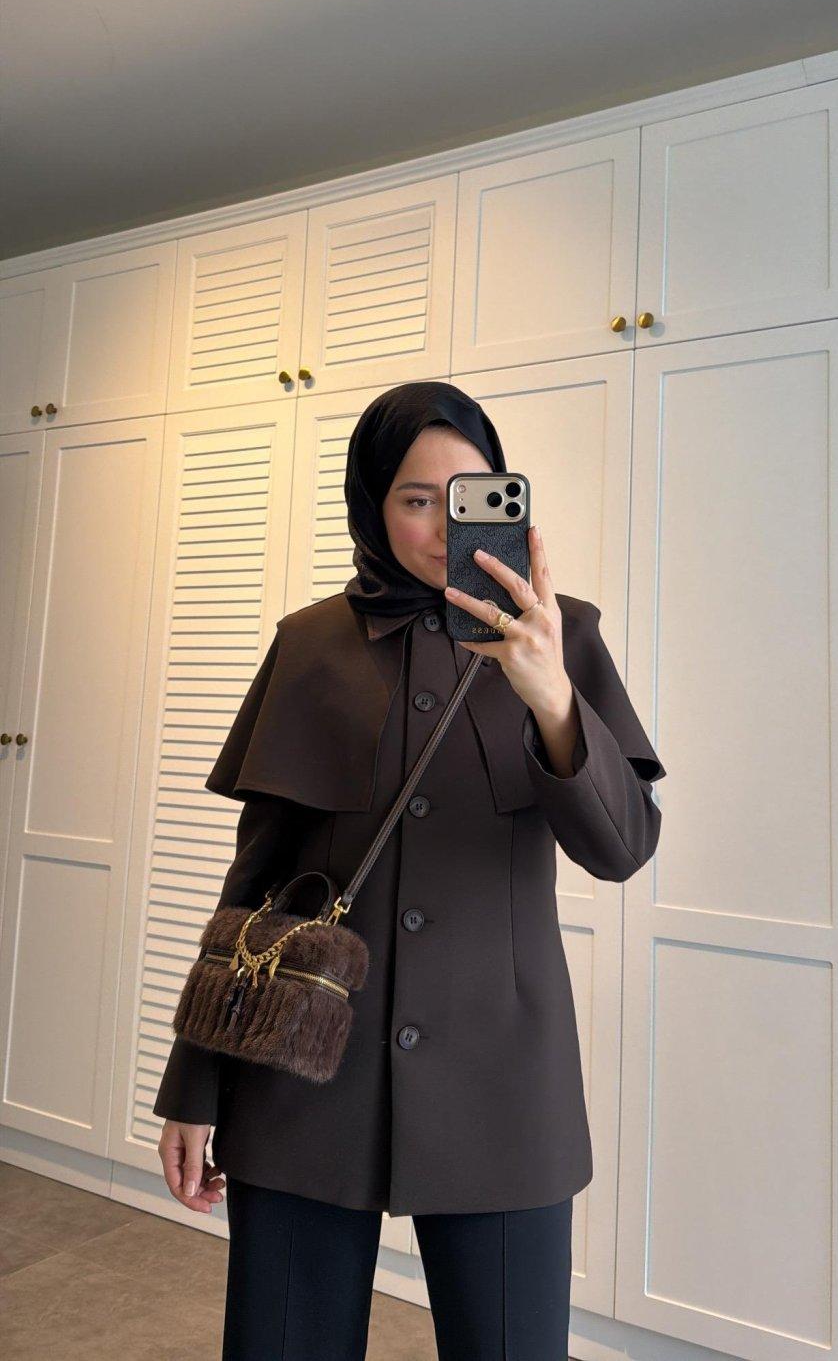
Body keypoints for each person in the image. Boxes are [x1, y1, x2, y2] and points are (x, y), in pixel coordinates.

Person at [153, 380, 665, 1360]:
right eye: (416, 499)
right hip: (301, 1079)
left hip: (503, 1090)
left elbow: (622, 846)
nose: (442, 527)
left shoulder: (563, 637)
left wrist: (553, 697)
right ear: (372, 505)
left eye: (468, 495)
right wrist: (194, 1084)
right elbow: (251, 887)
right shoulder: (309, 645)